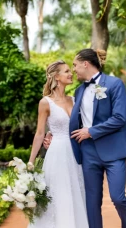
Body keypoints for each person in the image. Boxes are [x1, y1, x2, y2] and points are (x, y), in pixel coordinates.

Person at [44, 48, 126, 228]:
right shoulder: (78, 92)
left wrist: (90, 131)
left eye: (75, 65)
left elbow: (119, 118)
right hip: (88, 152)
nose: (74, 69)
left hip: (114, 150)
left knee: (118, 197)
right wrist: (51, 133)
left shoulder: (115, 84)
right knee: (91, 202)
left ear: (86, 64)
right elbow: (70, 118)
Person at [27, 60, 89, 228]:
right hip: (57, 154)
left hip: (76, 153)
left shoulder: (75, 99)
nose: (71, 74)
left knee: (76, 192)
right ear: (56, 76)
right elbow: (40, 133)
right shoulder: (45, 102)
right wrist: (31, 162)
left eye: (71, 70)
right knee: (59, 195)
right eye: (67, 71)